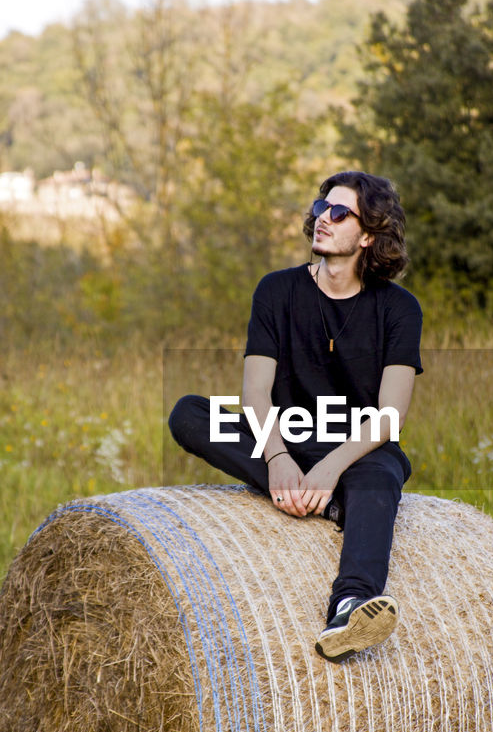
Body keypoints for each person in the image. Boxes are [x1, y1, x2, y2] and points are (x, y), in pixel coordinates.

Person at [168, 170, 423, 662]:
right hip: (283, 436)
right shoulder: (277, 291)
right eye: (320, 206)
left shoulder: (399, 309)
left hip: (356, 450)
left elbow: (390, 415)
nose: (321, 218)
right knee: (190, 414)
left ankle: (350, 604)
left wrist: (330, 468)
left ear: (368, 235)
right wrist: (278, 457)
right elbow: (255, 392)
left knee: (381, 474)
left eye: (339, 212)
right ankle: (330, 506)